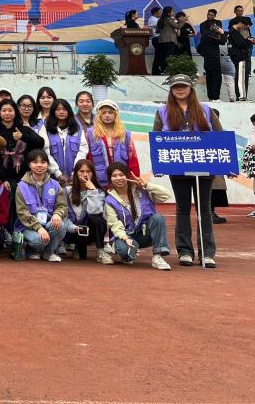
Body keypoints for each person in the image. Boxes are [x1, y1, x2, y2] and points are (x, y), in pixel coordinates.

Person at [152, 75, 222, 267]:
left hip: (204, 165)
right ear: (171, 90)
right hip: (177, 166)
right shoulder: (163, 111)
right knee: (182, 208)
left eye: (183, 86)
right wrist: (159, 165)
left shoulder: (205, 110)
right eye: (176, 87)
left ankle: (207, 252)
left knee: (204, 209)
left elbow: (220, 136)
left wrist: (226, 166)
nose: (180, 89)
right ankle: (185, 251)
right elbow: (156, 139)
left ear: (191, 88)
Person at [104, 162, 172, 270]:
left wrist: (147, 185)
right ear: (110, 179)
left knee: (158, 218)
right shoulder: (109, 200)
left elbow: (166, 195)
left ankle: (157, 256)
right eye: (114, 176)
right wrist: (126, 238)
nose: (118, 178)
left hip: (145, 234)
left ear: (127, 175)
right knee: (123, 250)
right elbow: (114, 224)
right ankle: (128, 256)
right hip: (127, 236)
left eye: (121, 175)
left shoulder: (140, 189)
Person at [14, 149, 69, 262]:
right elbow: (22, 212)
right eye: (35, 162)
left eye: (43, 162)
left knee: (61, 225)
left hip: (48, 224)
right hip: (27, 227)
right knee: (38, 240)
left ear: (47, 164)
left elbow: (62, 206)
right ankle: (32, 250)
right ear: (29, 165)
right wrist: (38, 228)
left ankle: (49, 253)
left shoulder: (55, 184)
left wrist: (57, 214)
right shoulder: (21, 186)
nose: (39, 165)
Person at [63, 160, 112, 264]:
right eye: (81, 171)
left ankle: (100, 251)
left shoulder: (99, 192)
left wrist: (92, 191)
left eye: (88, 171)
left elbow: (94, 211)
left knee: (98, 219)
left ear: (93, 173)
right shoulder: (67, 191)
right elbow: (64, 214)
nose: (85, 174)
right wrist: (73, 228)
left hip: (89, 230)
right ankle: (77, 246)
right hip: (72, 230)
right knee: (80, 257)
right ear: (76, 173)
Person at [0, 98, 44, 190]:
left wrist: (23, 137)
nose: (7, 113)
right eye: (4, 110)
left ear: (15, 112)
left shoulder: (24, 129)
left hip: (25, 178)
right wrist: (3, 179)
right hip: (4, 180)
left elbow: (41, 143)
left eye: (10, 110)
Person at [86, 100, 140, 185]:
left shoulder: (125, 134)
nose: (107, 115)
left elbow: (133, 158)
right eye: (104, 113)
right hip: (100, 181)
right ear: (99, 115)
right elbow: (87, 158)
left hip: (121, 180)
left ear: (115, 114)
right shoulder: (90, 134)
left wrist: (135, 179)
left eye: (110, 112)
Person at [43, 99, 87, 184]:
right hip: (53, 177)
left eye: (64, 109)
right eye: (58, 109)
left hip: (75, 176)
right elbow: (46, 152)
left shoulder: (77, 128)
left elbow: (83, 150)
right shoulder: (46, 128)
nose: (61, 112)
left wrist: (75, 172)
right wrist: (57, 173)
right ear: (53, 112)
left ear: (69, 111)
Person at [197, 9, 227, 100]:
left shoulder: (218, 22)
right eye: (208, 14)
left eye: (212, 15)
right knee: (213, 76)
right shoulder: (203, 25)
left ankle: (213, 97)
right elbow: (222, 40)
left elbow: (218, 33)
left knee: (213, 76)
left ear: (214, 16)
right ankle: (214, 97)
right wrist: (220, 33)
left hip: (213, 54)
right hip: (210, 55)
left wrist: (218, 32)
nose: (209, 16)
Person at [228, 18, 252, 101]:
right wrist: (249, 42)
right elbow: (241, 44)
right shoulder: (234, 32)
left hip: (238, 57)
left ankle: (240, 96)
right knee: (241, 77)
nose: (243, 28)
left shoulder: (234, 32)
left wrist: (246, 41)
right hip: (240, 57)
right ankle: (241, 96)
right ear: (240, 23)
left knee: (240, 76)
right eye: (244, 26)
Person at [153, 5, 180, 74]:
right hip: (170, 40)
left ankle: (163, 70)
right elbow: (178, 26)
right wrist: (182, 21)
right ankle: (168, 71)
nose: (174, 12)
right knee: (170, 57)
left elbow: (157, 31)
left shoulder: (160, 20)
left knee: (163, 56)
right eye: (172, 11)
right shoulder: (169, 19)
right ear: (168, 13)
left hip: (162, 40)